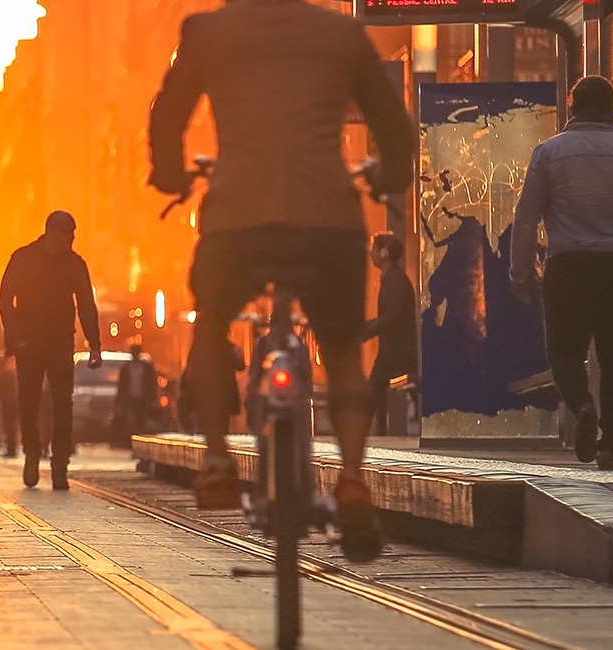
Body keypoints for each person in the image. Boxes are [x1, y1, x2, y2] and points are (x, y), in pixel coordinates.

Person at [149, 0, 420, 560]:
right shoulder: (342, 34)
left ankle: (219, 462)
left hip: (237, 222)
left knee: (212, 324)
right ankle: (350, 480)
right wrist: (390, 173)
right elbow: (393, 122)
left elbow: (168, 113)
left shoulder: (207, 31)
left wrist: (170, 172)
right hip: (326, 221)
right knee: (343, 349)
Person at [508, 76, 613, 472]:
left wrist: (520, 271)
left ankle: (583, 405)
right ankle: (611, 445)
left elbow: (527, 217)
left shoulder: (549, 152)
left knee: (564, 350)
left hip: (569, 264)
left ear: (572, 108)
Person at [0, 211, 103, 489]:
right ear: (53, 233)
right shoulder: (23, 258)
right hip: (28, 343)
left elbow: (86, 304)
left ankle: (60, 464)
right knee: (28, 400)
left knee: (62, 403)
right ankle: (32, 453)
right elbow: (5, 299)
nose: (73, 239)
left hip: (60, 341)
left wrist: (94, 344)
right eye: (69, 234)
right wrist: (15, 337)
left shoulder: (74, 264)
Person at [363, 233, 418, 439]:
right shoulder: (391, 278)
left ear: (384, 253)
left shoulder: (395, 280)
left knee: (373, 390)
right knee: (375, 390)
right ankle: (377, 434)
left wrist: (366, 331)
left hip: (397, 351)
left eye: (374, 249)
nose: (371, 253)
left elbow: (391, 317)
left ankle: (371, 436)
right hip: (394, 350)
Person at [113, 344, 159, 440]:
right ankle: (132, 440)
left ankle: (139, 439)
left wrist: (154, 398)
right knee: (131, 421)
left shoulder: (146, 368)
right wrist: (119, 402)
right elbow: (121, 386)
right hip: (130, 398)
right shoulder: (126, 368)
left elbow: (151, 384)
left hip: (143, 399)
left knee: (141, 420)